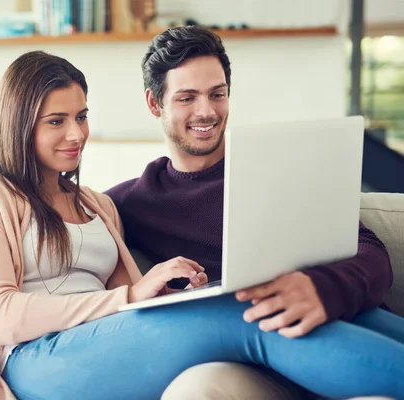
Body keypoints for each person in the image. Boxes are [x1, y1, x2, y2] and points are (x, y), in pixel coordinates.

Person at [0, 49, 404, 400]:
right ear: (20, 125)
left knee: (273, 301)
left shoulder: (100, 204)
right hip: (37, 359)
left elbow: (136, 303)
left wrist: (174, 293)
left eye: (81, 116)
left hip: (108, 339)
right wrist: (128, 298)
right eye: (56, 121)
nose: (77, 134)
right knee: (248, 310)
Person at [105, 26, 404, 397]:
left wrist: (321, 288)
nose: (207, 111)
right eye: (187, 98)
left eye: (218, 94)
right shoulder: (129, 203)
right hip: (270, 348)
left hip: (351, 317)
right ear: (155, 104)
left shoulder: (277, 165)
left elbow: (371, 251)